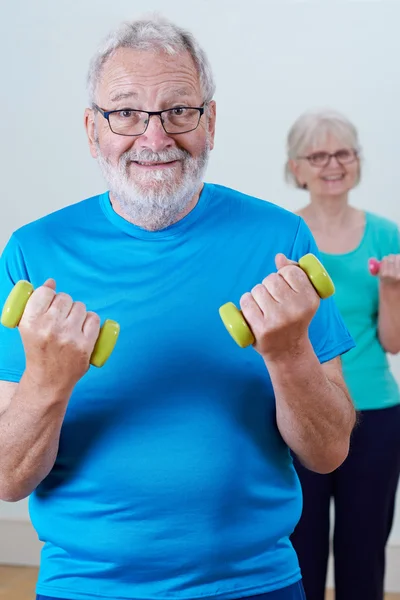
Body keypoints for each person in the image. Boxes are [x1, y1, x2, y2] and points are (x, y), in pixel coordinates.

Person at [0, 18, 355, 600]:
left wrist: (289, 355)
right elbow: (8, 479)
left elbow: (327, 453)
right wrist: (45, 382)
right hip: (86, 587)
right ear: (93, 130)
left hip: (257, 585)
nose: (155, 137)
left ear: (210, 122)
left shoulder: (282, 241)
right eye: (126, 113)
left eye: (179, 111)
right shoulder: (33, 252)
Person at [285, 108, 400, 600]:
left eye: (343, 152)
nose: (333, 164)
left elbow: (393, 342)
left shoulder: (386, 235)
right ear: (297, 168)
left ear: (357, 161)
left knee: (363, 550)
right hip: (303, 411)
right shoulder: (283, 236)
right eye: (318, 154)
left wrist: (393, 289)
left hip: (374, 412)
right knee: (299, 549)